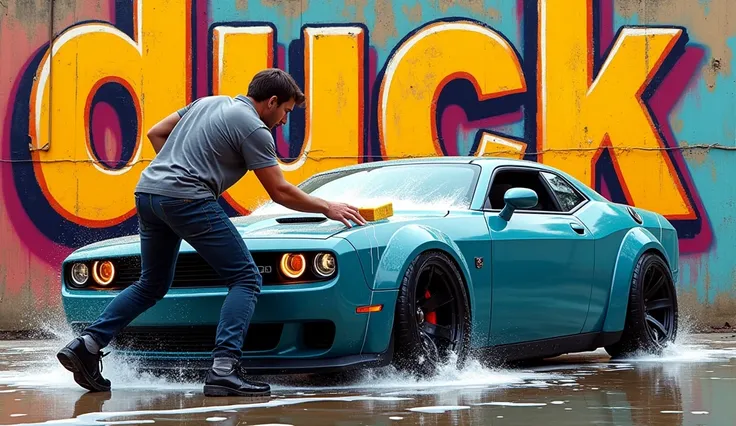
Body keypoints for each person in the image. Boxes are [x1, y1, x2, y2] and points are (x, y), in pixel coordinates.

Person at [56, 68, 367, 397]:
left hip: (149, 193)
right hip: (186, 198)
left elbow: (156, 133)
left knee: (152, 283)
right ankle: (224, 369)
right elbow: (280, 191)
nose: (284, 120)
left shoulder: (208, 103)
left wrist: (179, 168)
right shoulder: (254, 129)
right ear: (272, 102)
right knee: (246, 277)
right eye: (286, 111)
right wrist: (327, 207)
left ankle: (87, 345)